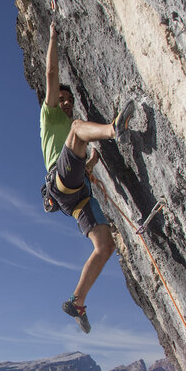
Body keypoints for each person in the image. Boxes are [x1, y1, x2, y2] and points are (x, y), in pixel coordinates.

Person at [40, 20, 134, 334]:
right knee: (81, 128)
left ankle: (77, 301)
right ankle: (114, 129)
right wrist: (52, 36)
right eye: (62, 99)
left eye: (69, 100)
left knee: (105, 246)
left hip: (77, 196)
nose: (66, 102)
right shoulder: (50, 115)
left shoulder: (70, 131)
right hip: (61, 182)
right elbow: (51, 74)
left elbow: (85, 163)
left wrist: (93, 160)